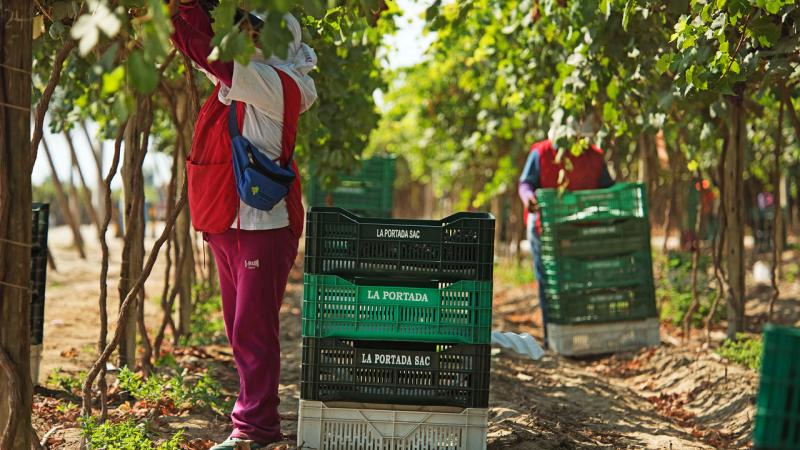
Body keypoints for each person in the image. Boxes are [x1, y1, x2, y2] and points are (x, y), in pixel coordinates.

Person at [168, 1, 317, 448]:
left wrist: (173, 16)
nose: (245, 35)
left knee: (252, 328)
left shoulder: (278, 83)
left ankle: (256, 427)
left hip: (263, 226)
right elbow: (212, 53)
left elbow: (210, 56)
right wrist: (191, 10)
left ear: (279, 42)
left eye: (255, 31)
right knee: (238, 326)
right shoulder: (250, 77)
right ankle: (254, 422)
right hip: (230, 219)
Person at [518, 125, 614, 347]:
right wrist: (529, 198)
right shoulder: (542, 153)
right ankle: (553, 335)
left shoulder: (594, 157)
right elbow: (526, 184)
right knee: (549, 280)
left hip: (583, 228)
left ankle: (585, 334)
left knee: (583, 280)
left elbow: (607, 188)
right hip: (546, 227)